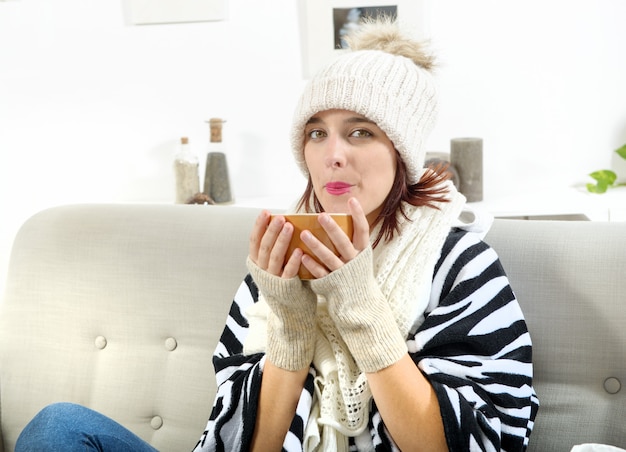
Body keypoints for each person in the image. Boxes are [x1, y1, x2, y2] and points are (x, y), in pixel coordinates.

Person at [16, 17, 538, 452]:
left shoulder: (456, 260)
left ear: (401, 151)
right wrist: (289, 327)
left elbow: (469, 443)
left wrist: (359, 308)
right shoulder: (278, 260)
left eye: (361, 131)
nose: (333, 153)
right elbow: (252, 444)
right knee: (58, 426)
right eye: (317, 132)